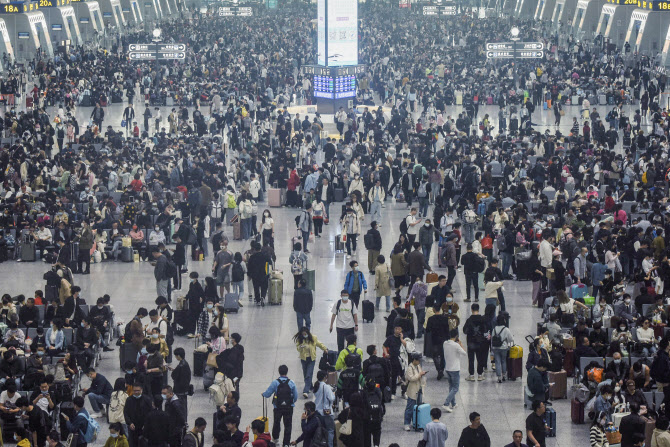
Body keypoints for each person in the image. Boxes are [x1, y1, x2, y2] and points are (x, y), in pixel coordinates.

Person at [261, 365, 299, 447]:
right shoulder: (291, 382)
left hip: (278, 407)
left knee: (277, 423)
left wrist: (263, 394)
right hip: (289, 407)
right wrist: (290, 402)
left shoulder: (275, 382)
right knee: (288, 425)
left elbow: (267, 394)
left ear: (279, 372)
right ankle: (286, 443)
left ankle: (276, 440)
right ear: (287, 372)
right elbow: (296, 397)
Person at [293, 327, 328, 398]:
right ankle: (311, 387)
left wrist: (325, 348)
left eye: (305, 333)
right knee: (306, 374)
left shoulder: (313, 338)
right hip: (304, 359)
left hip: (311, 359)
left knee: (309, 374)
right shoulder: (300, 340)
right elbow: (298, 348)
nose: (304, 335)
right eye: (303, 334)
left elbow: (319, 343)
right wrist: (301, 346)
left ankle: (305, 391)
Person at [463, 303, 490, 381]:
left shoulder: (469, 320)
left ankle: (471, 375)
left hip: (471, 342)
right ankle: (480, 375)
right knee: (480, 358)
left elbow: (465, 331)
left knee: (471, 359)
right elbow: (485, 332)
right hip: (480, 343)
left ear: (471, 310)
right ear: (478, 309)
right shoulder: (482, 319)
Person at [443, 329, 466, 411]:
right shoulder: (456, 346)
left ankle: (453, 403)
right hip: (455, 369)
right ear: (457, 336)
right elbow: (464, 353)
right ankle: (446, 403)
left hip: (448, 368)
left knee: (451, 386)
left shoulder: (445, 343)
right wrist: (460, 344)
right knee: (455, 388)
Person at [403, 353, 427, 431]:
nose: (420, 362)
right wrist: (419, 374)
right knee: (410, 407)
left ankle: (415, 422)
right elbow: (411, 378)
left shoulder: (418, 366)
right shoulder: (410, 368)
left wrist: (422, 374)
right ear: (415, 360)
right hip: (412, 390)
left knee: (417, 407)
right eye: (419, 360)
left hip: (419, 389)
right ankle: (406, 423)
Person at [491, 314, 514, 383]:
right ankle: (504, 375)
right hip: (504, 348)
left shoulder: (494, 329)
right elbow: (511, 339)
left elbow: (492, 338)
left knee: (497, 362)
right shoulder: (506, 329)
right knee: (503, 361)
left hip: (495, 348)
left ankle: (499, 377)